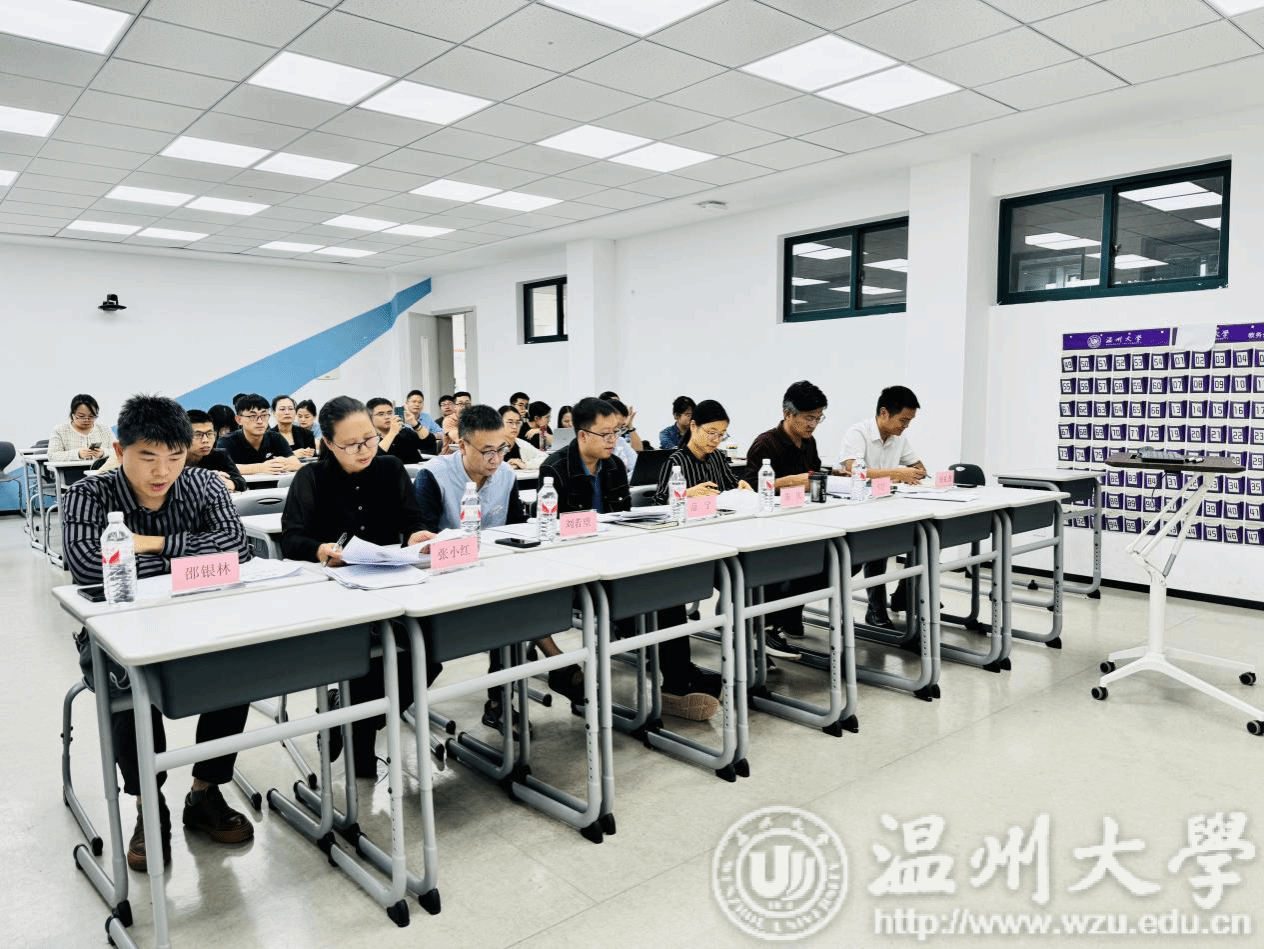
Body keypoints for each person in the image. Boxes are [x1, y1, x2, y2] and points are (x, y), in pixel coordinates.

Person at [62, 394, 255, 872]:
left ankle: (205, 792)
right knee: (128, 684)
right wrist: (192, 560)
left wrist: (146, 545)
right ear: (119, 449)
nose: (162, 471)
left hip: (200, 619)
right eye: (148, 456)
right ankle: (148, 804)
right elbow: (88, 568)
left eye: (174, 456)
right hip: (119, 631)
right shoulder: (88, 494)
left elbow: (237, 549)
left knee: (238, 663)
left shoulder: (203, 484)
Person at [280, 396, 437, 777]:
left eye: (369, 439)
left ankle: (349, 720)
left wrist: (418, 535)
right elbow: (291, 539)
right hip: (336, 589)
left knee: (430, 652)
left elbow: (412, 521)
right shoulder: (311, 478)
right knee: (366, 655)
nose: (365, 450)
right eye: (351, 445)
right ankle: (358, 736)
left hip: (390, 582)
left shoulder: (390, 467)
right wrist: (320, 549)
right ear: (329, 443)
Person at [540, 397, 720, 720]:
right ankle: (676, 675)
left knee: (669, 591)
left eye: (617, 432)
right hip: (577, 570)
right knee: (648, 601)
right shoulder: (554, 469)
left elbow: (622, 519)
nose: (613, 440)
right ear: (582, 435)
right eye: (606, 434)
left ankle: (677, 678)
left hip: (615, 560)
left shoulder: (614, 466)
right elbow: (553, 534)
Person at [412, 404, 563, 723]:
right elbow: (421, 541)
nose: (496, 459)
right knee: (511, 608)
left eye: (502, 449)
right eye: (487, 452)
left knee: (514, 599)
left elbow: (515, 527)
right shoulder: (433, 475)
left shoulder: (505, 474)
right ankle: (556, 666)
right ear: (462, 445)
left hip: (492, 574)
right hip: (444, 580)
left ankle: (503, 698)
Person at [743, 380, 829, 658]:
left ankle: (786, 614)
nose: (813, 424)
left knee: (831, 563)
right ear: (787, 413)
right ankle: (766, 626)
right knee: (792, 568)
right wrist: (790, 482)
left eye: (818, 418)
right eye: (809, 418)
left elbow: (814, 476)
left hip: (803, 521)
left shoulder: (809, 442)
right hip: (771, 528)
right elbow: (748, 489)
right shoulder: (766, 443)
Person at [835, 385, 926, 627]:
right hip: (855, 509)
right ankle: (876, 610)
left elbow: (920, 469)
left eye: (909, 421)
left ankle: (905, 595)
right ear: (884, 412)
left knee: (922, 539)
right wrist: (897, 474)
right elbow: (855, 471)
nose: (906, 426)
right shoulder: (858, 433)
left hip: (886, 504)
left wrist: (906, 473)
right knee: (877, 548)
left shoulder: (899, 437)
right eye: (903, 420)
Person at [653, 400, 750, 503]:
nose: (716, 440)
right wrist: (685, 493)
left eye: (721, 434)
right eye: (711, 432)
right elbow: (658, 502)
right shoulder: (676, 461)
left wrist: (741, 487)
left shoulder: (718, 456)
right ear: (693, 426)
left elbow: (732, 485)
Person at [217, 393, 300, 474]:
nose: (260, 421)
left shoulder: (275, 437)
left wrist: (283, 464)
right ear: (239, 420)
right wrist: (262, 467)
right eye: (252, 416)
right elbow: (222, 467)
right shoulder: (226, 441)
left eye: (264, 415)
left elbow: (297, 464)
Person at [187, 409, 246, 492]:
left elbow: (241, 482)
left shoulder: (220, 455)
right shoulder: (174, 458)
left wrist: (231, 483)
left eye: (210, 434)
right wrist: (207, 477)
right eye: (198, 435)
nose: (205, 440)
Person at [48, 394, 114, 464]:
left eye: (91, 416)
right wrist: (77, 454)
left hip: (101, 470)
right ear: (73, 414)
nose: (86, 420)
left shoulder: (105, 430)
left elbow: (118, 452)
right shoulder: (60, 430)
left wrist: (103, 453)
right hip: (72, 470)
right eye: (81, 416)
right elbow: (52, 456)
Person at [368, 397, 436, 463]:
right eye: (381, 414)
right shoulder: (369, 438)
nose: (387, 417)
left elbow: (429, 444)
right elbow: (375, 458)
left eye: (390, 413)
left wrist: (415, 424)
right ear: (370, 418)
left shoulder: (404, 432)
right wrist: (392, 433)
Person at [499, 405, 545, 470]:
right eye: (510, 422)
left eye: (517, 423)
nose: (515, 427)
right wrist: (508, 467)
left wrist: (524, 464)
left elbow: (545, 458)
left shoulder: (521, 444)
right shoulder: (490, 445)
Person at [605, 398, 644, 476]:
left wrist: (630, 426)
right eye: (615, 428)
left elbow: (638, 466)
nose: (614, 436)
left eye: (621, 428)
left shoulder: (620, 441)